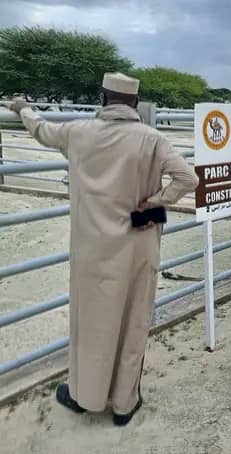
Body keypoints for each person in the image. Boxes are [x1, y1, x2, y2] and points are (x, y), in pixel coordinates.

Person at [9, 73, 198, 425]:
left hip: (91, 251)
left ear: (103, 98)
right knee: (132, 322)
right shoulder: (152, 139)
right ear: (135, 103)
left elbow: (42, 130)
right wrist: (155, 202)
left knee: (91, 323)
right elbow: (189, 178)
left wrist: (23, 108)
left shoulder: (78, 132)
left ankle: (84, 396)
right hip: (138, 246)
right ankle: (124, 405)